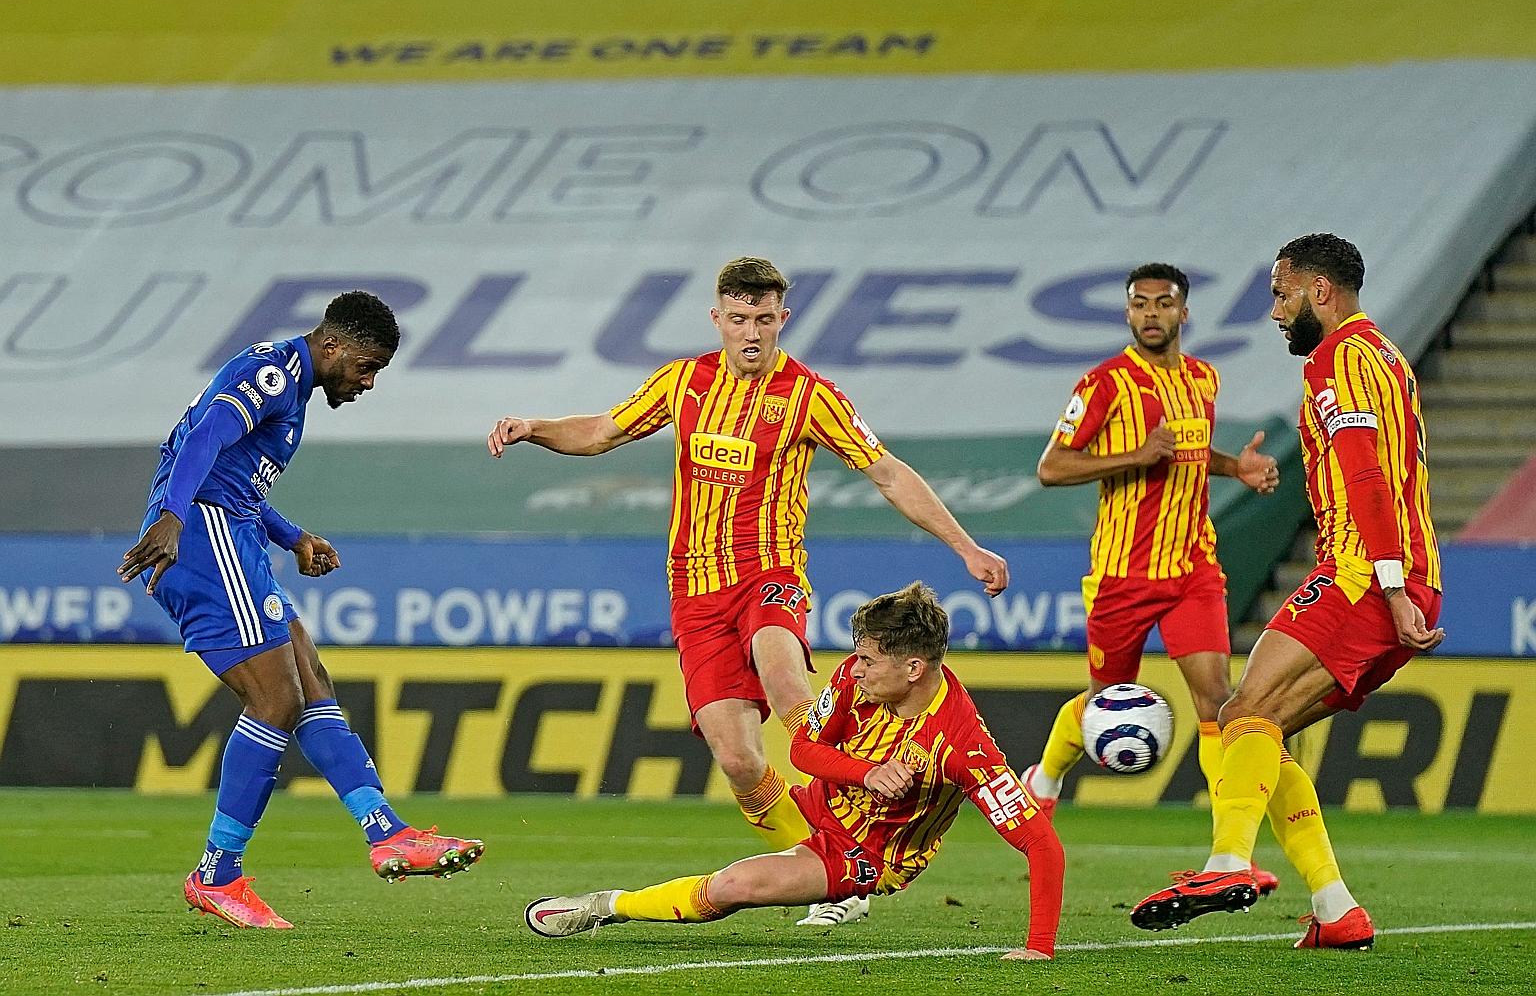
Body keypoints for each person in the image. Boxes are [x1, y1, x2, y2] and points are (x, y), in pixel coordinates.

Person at [487, 257, 1010, 926]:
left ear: (781, 319)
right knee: (737, 760)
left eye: (764, 319)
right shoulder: (684, 382)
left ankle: (853, 781)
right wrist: (536, 427)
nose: (752, 333)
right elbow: (602, 432)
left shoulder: (811, 396)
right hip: (694, 593)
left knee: (782, 670)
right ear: (718, 319)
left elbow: (885, 472)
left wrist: (964, 547)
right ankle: (830, 871)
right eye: (739, 319)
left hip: (770, 576)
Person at [118, 291, 484, 929]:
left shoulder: (290, 388)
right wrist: (173, 519)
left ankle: (385, 832)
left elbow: (235, 475)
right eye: (366, 366)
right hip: (205, 535)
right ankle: (217, 872)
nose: (367, 382)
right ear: (333, 345)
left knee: (311, 683)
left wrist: (295, 537)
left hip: (232, 530)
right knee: (276, 701)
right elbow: (203, 441)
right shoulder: (275, 374)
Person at [1131, 234, 1443, 950]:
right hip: (1396, 578)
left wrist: (1391, 587)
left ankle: (1226, 863)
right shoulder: (1386, 355)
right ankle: (1337, 912)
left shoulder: (1340, 357)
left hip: (1365, 575)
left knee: (1243, 710)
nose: (1274, 312)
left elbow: (1365, 473)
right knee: (1264, 733)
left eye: (1280, 293)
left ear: (1319, 292)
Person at [525, 582, 1064, 959]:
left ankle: (604, 906)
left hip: (865, 856)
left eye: (869, 659)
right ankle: (842, 903)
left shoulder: (964, 747)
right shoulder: (857, 681)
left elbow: (1042, 845)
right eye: (857, 655)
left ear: (914, 668)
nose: (855, 667)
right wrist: (867, 772)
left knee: (733, 887)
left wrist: (1038, 948)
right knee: (742, 766)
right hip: (816, 805)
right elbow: (805, 750)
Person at [1019, 263, 1282, 893]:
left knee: (1219, 702)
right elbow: (1052, 468)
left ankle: (1227, 856)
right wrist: (1135, 456)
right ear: (1129, 313)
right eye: (1140, 304)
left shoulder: (1203, 378)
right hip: (1122, 574)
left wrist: (1232, 469)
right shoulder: (1104, 384)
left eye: (1164, 303)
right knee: (1103, 701)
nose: (1152, 314)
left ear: (1184, 313)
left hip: (1193, 567)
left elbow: (1188, 454)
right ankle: (1045, 779)